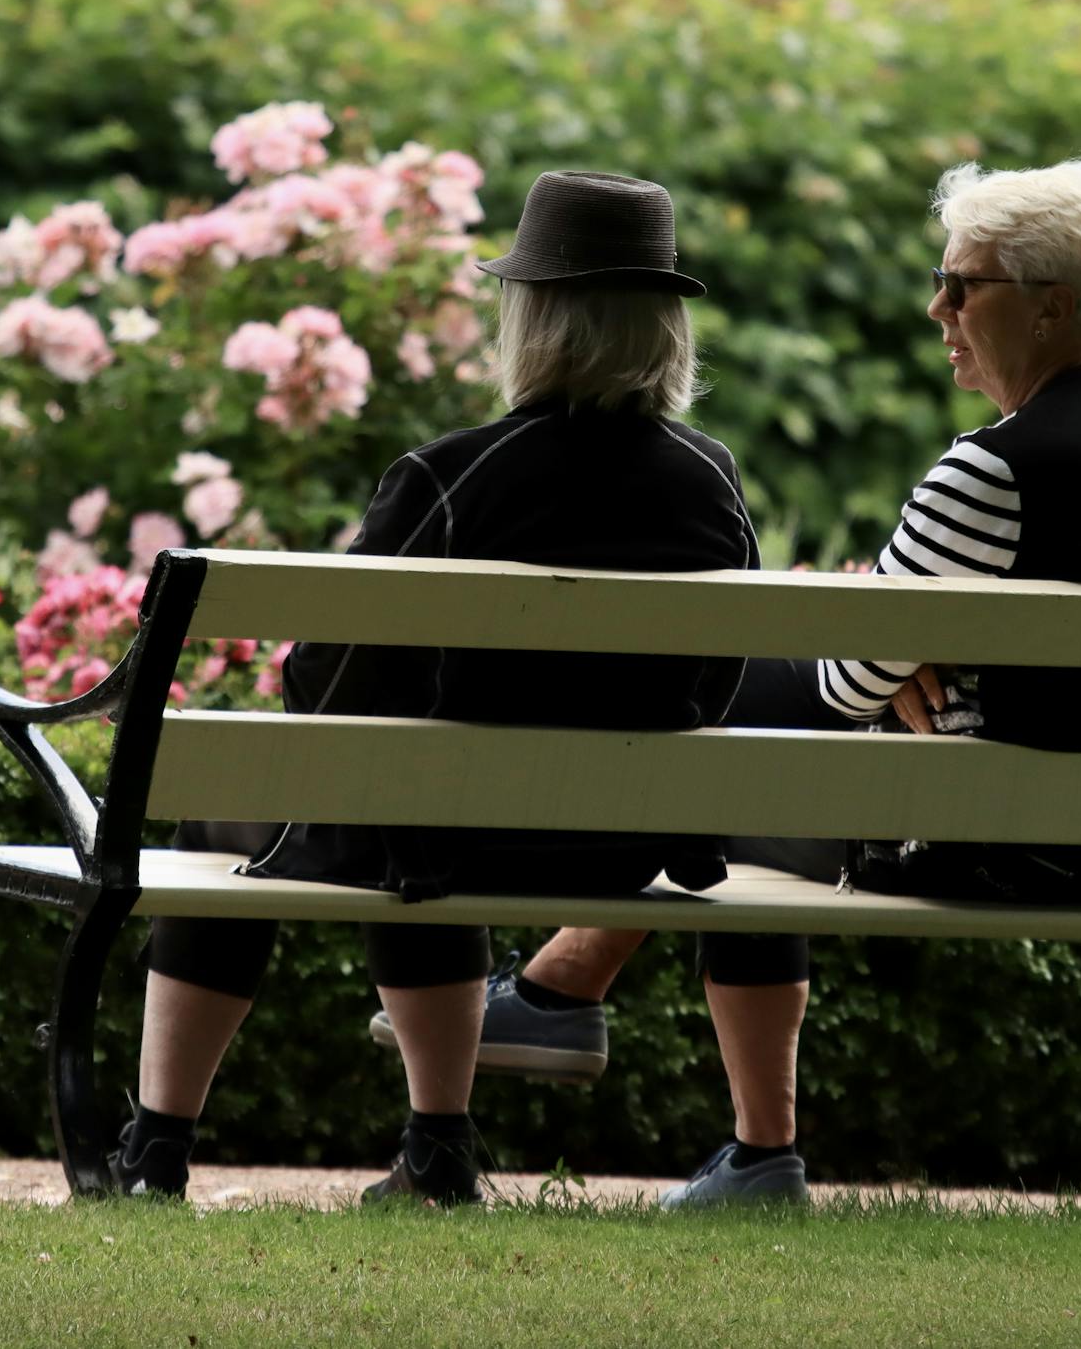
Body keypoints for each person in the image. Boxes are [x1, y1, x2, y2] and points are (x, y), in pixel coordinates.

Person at [399, 157, 1081, 1208]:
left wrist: (899, 660)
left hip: (1012, 837)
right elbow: (896, 664)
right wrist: (910, 657)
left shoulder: (993, 467)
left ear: (1051, 307)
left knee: (733, 718)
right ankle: (607, 1022)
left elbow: (843, 684)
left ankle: (613, 1023)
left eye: (964, 286)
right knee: (756, 740)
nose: (939, 308)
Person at [112, 169, 758, 1206]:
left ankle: (155, 1152)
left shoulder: (454, 474)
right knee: (415, 793)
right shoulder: (710, 479)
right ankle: (436, 1156)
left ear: (532, 320)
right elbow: (717, 680)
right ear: (664, 331)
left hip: (445, 827)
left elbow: (330, 678)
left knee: (290, 806)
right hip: (620, 846)